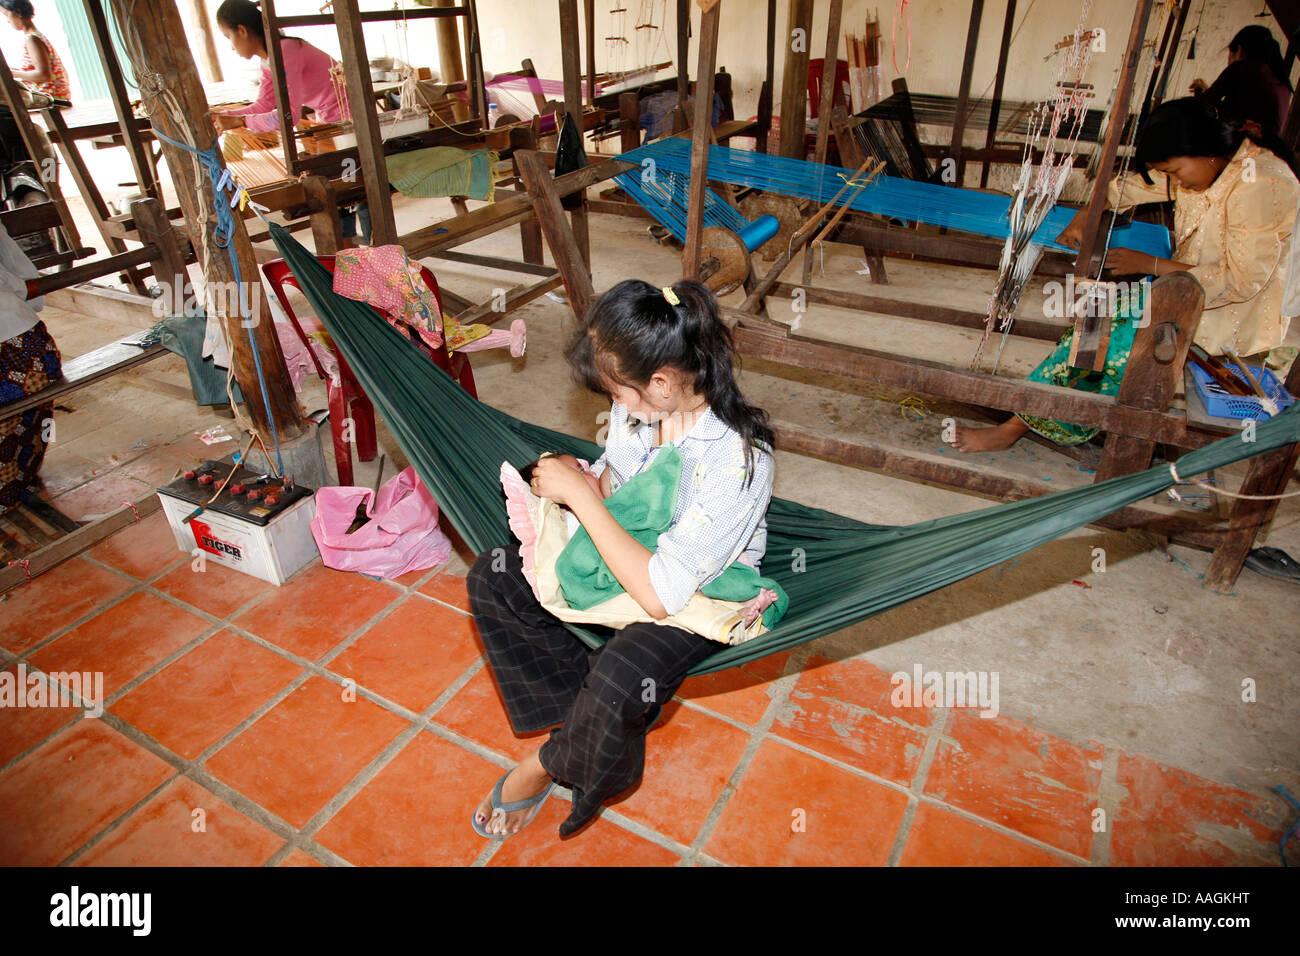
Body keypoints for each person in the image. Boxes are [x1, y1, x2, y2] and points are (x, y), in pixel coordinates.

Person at [466, 279, 775, 838]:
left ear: (661, 383)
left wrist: (581, 498)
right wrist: (582, 483)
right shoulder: (640, 411)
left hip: (696, 591)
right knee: (495, 580)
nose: (618, 406)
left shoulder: (737, 461)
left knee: (622, 675)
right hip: (631, 557)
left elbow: (660, 596)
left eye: (622, 393)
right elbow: (615, 482)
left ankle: (549, 763)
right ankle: (581, 727)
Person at [955, 97, 1300, 452]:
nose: (1172, 181)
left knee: (1114, 342)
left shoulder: (1260, 184)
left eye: (1175, 171)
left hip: (1231, 317)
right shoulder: (1207, 167)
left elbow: (1240, 282)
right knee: (1094, 322)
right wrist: (1089, 212)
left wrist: (1149, 265)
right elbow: (1130, 187)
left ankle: (1023, 426)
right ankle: (1037, 413)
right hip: (1183, 294)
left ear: (1206, 152)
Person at [213, 0, 368, 243]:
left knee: (354, 185)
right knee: (340, 186)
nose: (231, 47)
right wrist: (225, 117)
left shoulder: (286, 51)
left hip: (348, 118)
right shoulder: (269, 60)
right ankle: (349, 247)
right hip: (328, 117)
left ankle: (373, 247)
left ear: (242, 30)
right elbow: (263, 105)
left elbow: (287, 116)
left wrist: (241, 120)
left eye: (227, 36)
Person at [0, 221, 60, 514]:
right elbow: (23, 278)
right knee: (30, 415)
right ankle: (22, 481)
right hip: (29, 347)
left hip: (15, 355)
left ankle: (9, 491)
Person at [1190, 24, 1291, 141]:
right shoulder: (1282, 82)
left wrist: (1200, 92)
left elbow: (1203, 104)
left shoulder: (1241, 67)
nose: (1228, 62)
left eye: (1230, 55)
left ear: (1239, 50)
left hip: (1245, 148)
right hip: (1267, 151)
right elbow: (1237, 114)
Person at [1, 0, 70, 102]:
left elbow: (44, 75)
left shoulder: (32, 39)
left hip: (50, 98)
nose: (7, 20)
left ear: (18, 12)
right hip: (55, 96)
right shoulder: (36, 35)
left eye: (6, 15)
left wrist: (13, 73)